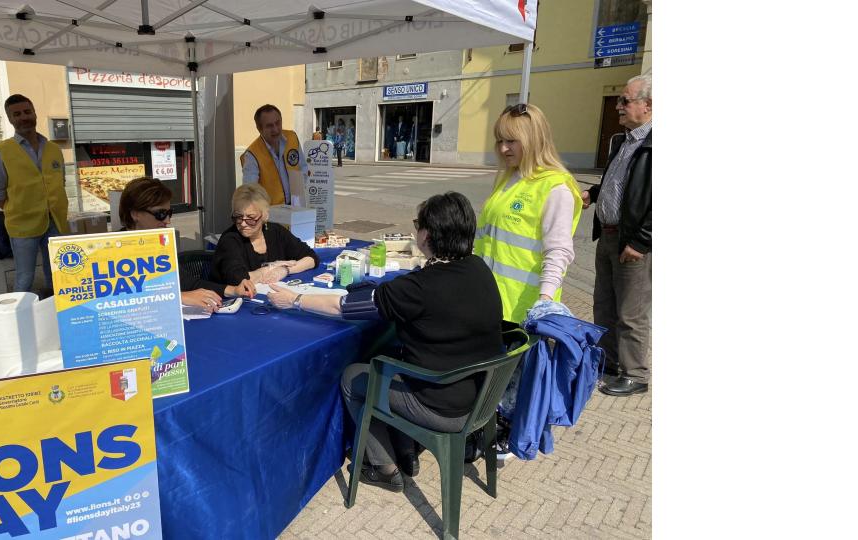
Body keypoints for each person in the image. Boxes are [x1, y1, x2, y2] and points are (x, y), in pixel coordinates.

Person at [267, 192, 506, 492]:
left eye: (417, 225)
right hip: (482, 394)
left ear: (426, 235)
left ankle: (384, 467)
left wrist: (295, 299)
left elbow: (343, 308)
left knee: (354, 377)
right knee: (391, 357)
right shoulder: (479, 268)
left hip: (444, 407)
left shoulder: (419, 288)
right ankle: (406, 450)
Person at [473, 103, 583, 324]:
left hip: (523, 312)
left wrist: (544, 302)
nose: (503, 149)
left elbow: (558, 251)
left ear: (533, 139)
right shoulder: (509, 179)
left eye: (511, 141)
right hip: (491, 301)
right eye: (499, 141)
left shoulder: (555, 188)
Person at [582, 73, 652, 397]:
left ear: (647, 105)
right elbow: (617, 184)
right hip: (608, 236)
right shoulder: (623, 142)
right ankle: (608, 363)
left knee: (630, 312)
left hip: (633, 243)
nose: (618, 106)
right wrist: (594, 194)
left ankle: (635, 374)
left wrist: (641, 242)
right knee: (605, 305)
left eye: (625, 100)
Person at [116, 177, 256, 313]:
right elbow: (115, 300)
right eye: (160, 214)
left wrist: (233, 290)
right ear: (135, 214)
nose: (167, 221)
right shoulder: (110, 250)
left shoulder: (158, 245)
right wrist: (180, 297)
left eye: (169, 213)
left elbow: (189, 283)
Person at [0, 94, 70, 295]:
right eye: (17, 114)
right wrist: (18, 208)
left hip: (55, 222)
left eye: (27, 112)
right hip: (22, 225)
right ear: (10, 119)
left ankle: (54, 308)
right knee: (25, 277)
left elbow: (61, 181)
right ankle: (19, 311)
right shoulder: (1, 152)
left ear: (34, 113)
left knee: (57, 274)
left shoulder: (53, 149)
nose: (23, 117)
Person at [210, 184, 318, 286]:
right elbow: (239, 280)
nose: (243, 224)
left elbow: (311, 257)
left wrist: (284, 270)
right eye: (238, 217)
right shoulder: (230, 239)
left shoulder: (276, 231)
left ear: (265, 216)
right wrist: (270, 267)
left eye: (251, 218)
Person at [240, 104, 305, 206]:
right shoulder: (252, 155)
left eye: (278, 123)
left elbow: (303, 168)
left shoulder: (292, 137)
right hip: (271, 212)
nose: (276, 129)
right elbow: (250, 192)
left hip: (297, 206)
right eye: (269, 126)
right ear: (259, 129)